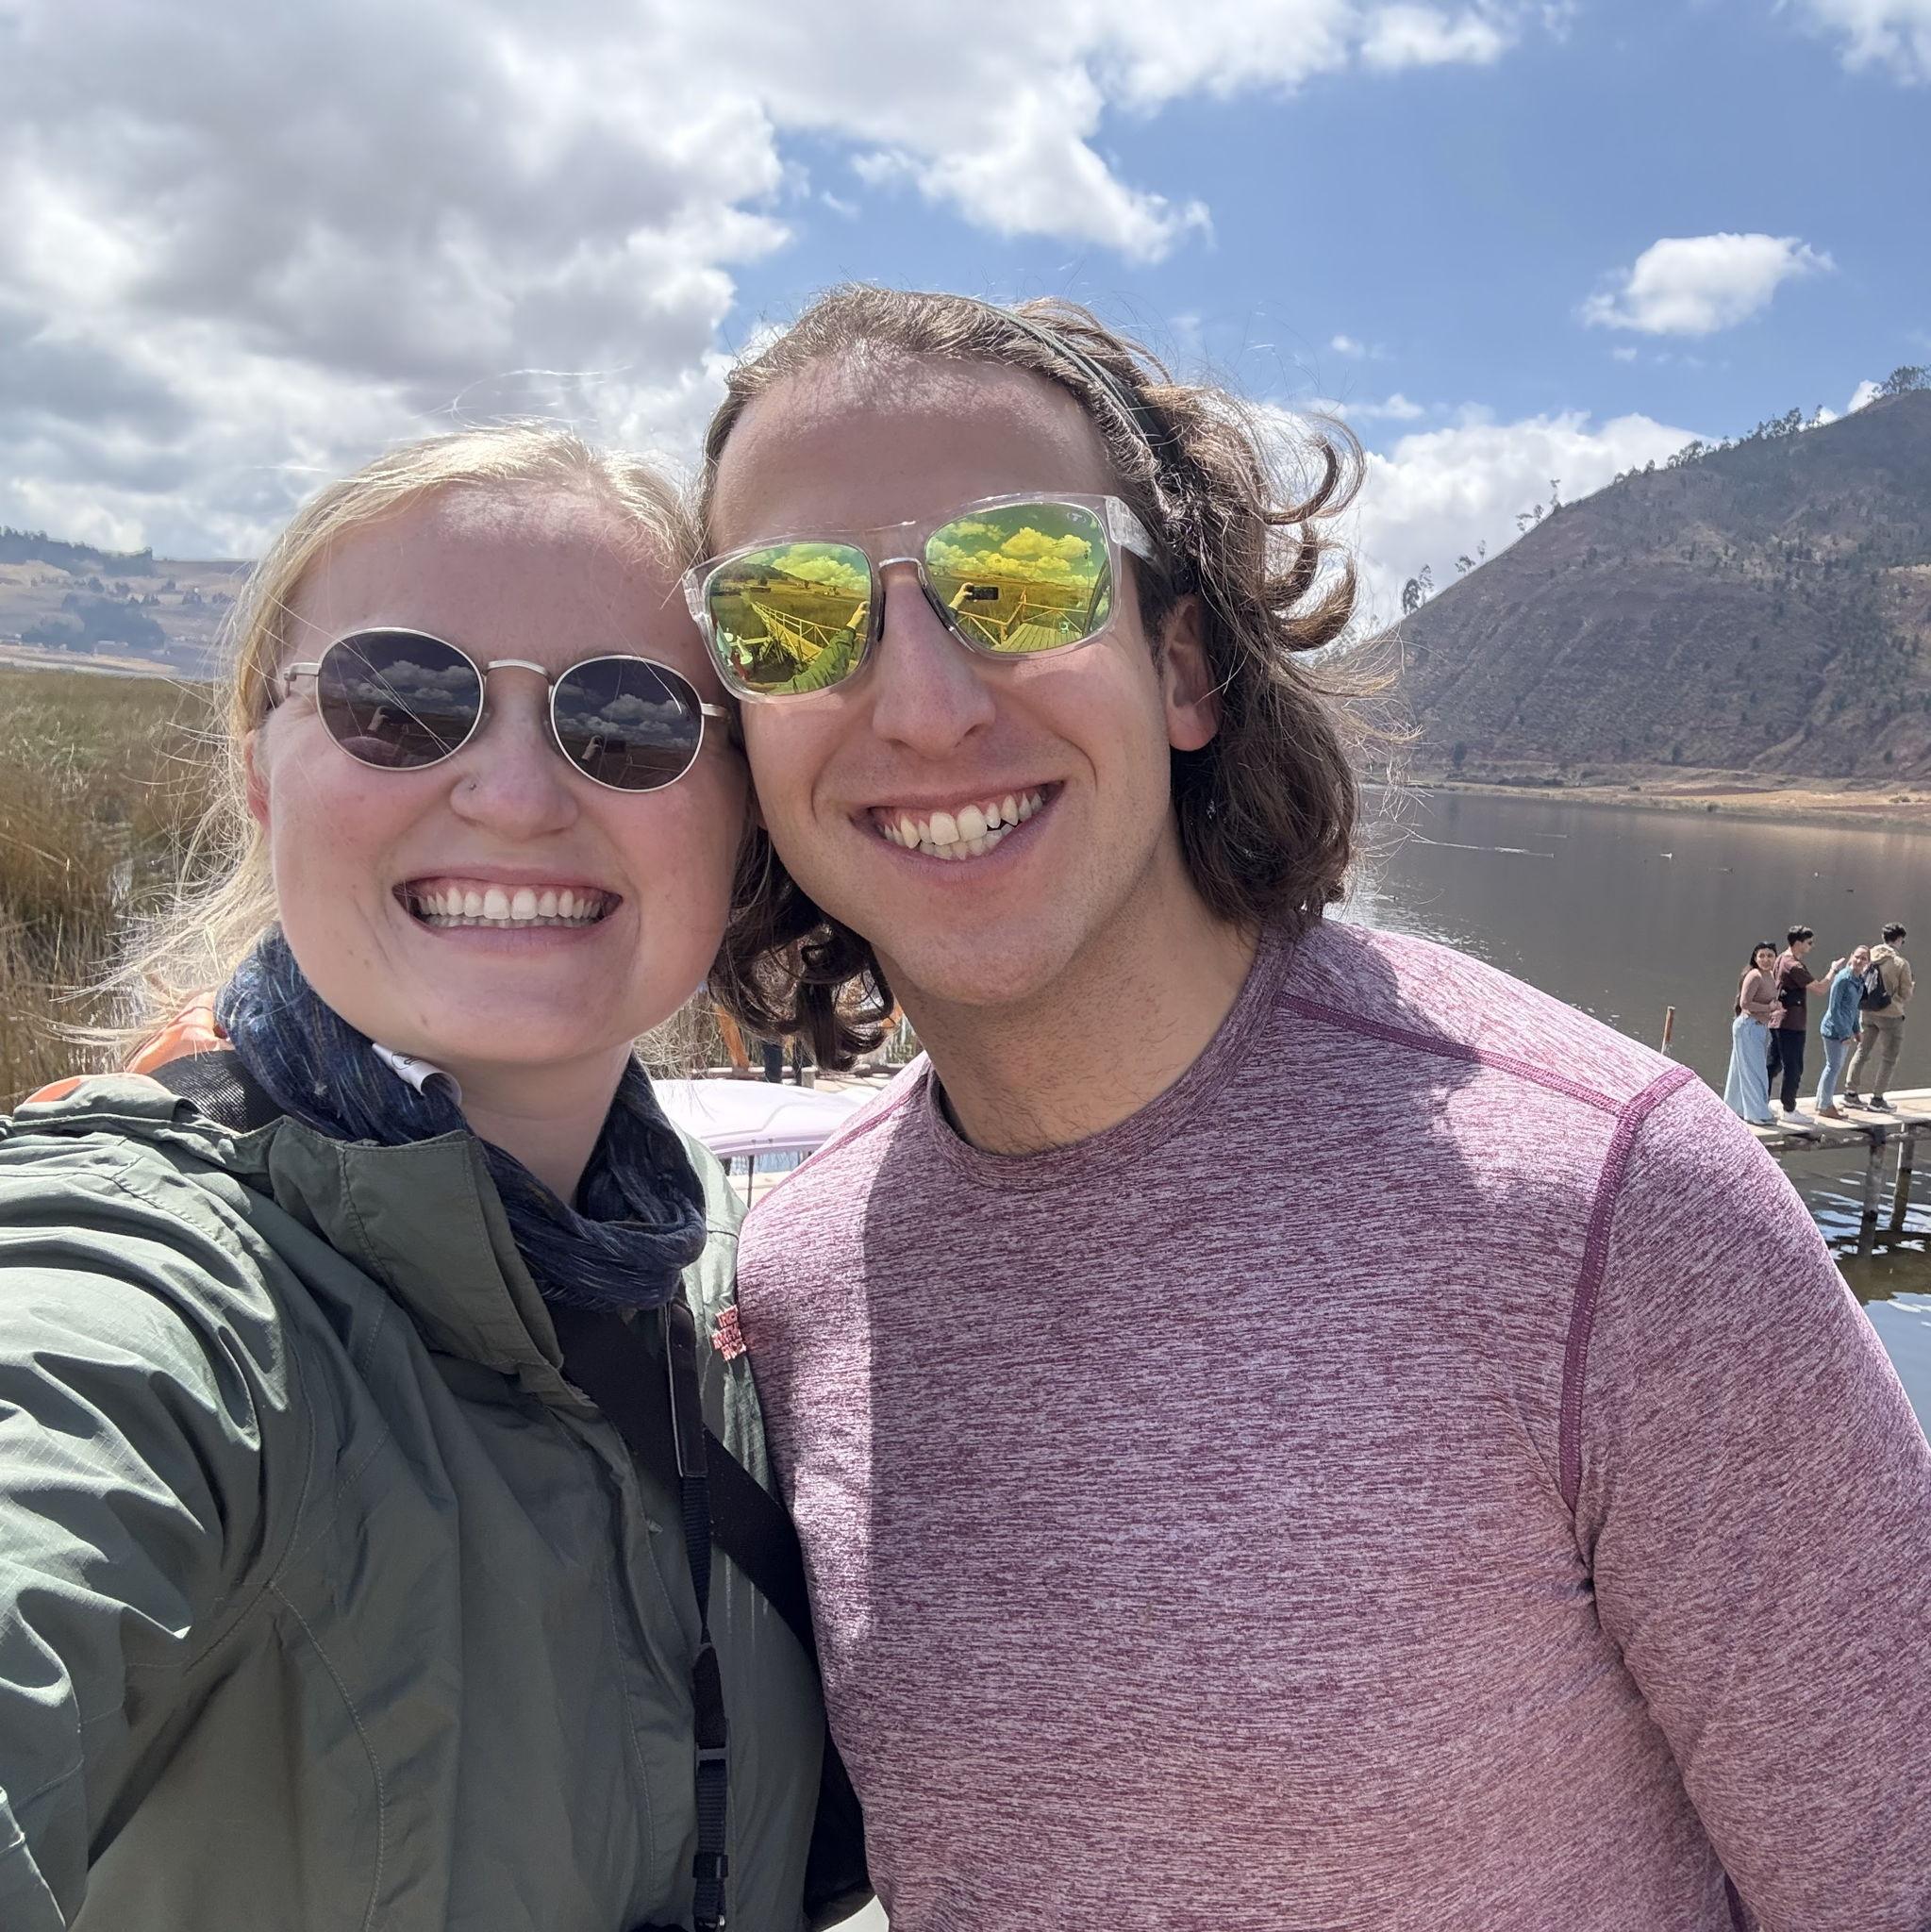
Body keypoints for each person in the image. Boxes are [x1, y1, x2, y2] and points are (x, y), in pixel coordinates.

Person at [691, 286, 1931, 1930]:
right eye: (790, 617)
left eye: (1019, 579)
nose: (919, 700)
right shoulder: (800, 1280)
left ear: (1184, 661)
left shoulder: (1605, 1209)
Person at [0, 428, 850, 1932]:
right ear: (261, 772)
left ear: (737, 821)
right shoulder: (149, 1290)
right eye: (400, 702)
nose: (515, 794)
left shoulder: (731, 1278)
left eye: (631, 718)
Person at [1766, 924, 1841, 1119]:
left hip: (1777, 1021)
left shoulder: (1780, 959)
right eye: (1809, 943)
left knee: (1773, 1065)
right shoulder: (1794, 966)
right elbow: (1820, 989)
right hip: (1791, 1023)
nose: (1812, 946)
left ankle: (1760, 1101)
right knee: (1794, 1067)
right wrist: (1833, 971)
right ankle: (1789, 1109)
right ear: (1798, 943)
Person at [1845, 921, 1913, 1111]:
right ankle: (1877, 1099)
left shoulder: (1868, 956)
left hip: (1866, 1011)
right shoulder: (1900, 963)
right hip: (1891, 1015)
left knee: (1862, 1051)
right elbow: (1906, 994)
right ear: (1899, 939)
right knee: (1889, 1057)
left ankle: (1850, 1094)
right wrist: (1900, 996)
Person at [1723, 939, 1781, 1124]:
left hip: (1757, 1027)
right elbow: (1745, 1004)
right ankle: (1757, 1114)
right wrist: (1769, 1008)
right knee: (1755, 1072)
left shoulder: (1769, 976)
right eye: (1761, 956)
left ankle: (1733, 1109)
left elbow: (1768, 1002)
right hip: (1748, 1026)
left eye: (1770, 956)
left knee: (1740, 1069)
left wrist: (1774, 1007)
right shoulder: (1754, 975)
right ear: (1755, 958)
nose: (1766, 959)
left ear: (1775, 957)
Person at [1814, 945, 1872, 1120]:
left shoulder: (1858, 980)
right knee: (1833, 1067)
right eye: (1857, 957)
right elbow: (1834, 1009)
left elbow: (1853, 1008)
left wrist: (1856, 1030)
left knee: (1833, 1067)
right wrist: (1844, 1034)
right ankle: (1825, 1105)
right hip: (1833, 1030)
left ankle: (1822, 1103)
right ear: (1851, 957)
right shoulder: (1843, 978)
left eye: (1864, 959)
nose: (1860, 961)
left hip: (1845, 1029)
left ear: (1868, 963)